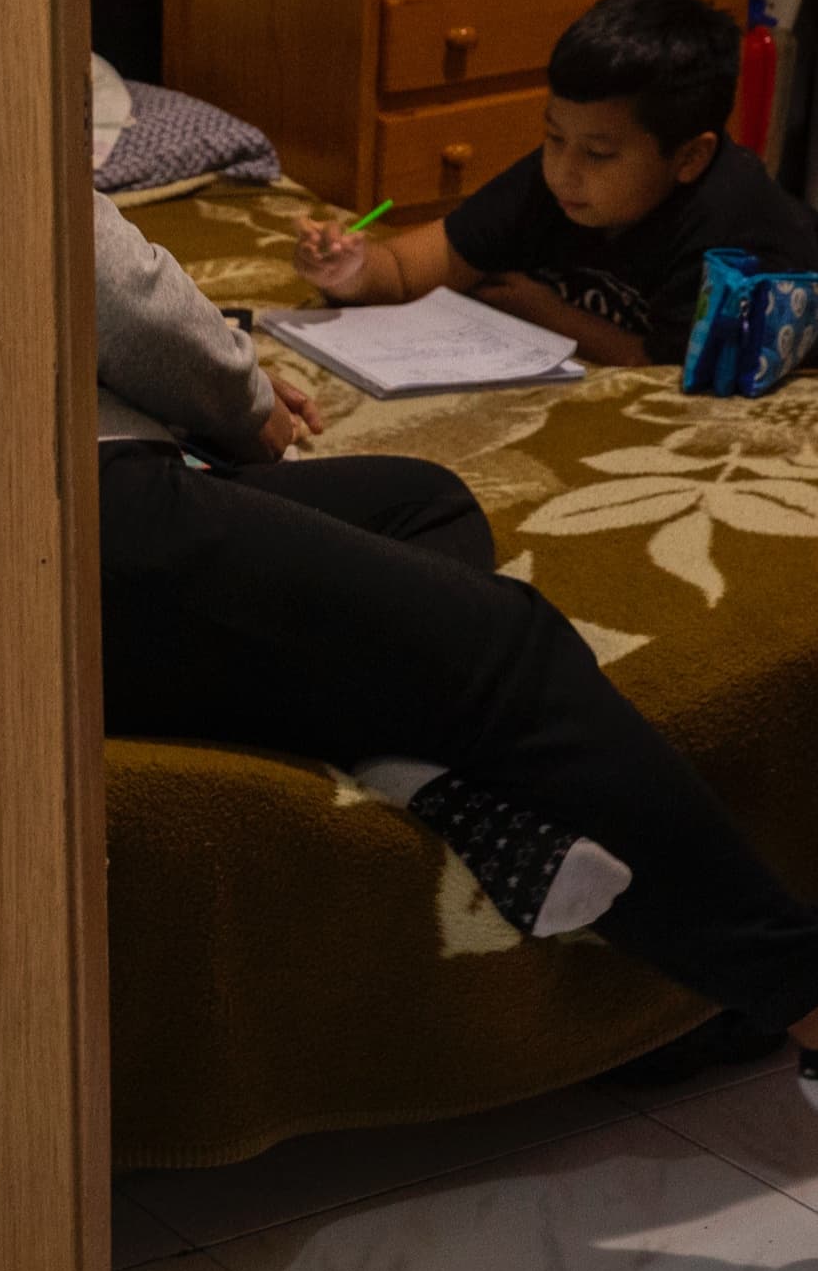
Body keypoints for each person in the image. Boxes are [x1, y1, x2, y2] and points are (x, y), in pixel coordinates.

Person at [93, 187, 818, 1105]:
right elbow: (113, 285)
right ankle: (799, 993)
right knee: (506, 640)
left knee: (421, 503)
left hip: (103, 453)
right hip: (78, 496)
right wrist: (237, 397)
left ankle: (424, 777)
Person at [294, 0, 818, 365]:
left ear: (689, 159)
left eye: (599, 154)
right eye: (554, 137)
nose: (564, 172)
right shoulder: (551, 183)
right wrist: (350, 271)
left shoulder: (734, 229)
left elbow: (669, 370)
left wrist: (545, 313)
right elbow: (407, 272)